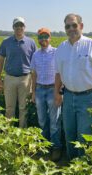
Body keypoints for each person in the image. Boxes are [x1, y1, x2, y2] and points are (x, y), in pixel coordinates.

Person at [54, 13, 92, 160]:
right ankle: (73, 164)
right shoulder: (61, 48)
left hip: (87, 98)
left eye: (74, 25)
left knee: (84, 135)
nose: (71, 29)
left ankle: (83, 167)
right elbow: (58, 73)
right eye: (67, 26)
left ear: (81, 26)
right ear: (65, 29)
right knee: (70, 133)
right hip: (69, 96)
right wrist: (57, 94)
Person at [0, 17, 37, 128]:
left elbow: (34, 63)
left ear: (24, 27)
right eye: (16, 26)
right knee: (9, 107)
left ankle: (22, 132)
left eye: (21, 25)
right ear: (13, 27)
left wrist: (34, 82)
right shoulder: (6, 42)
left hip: (25, 78)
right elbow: (0, 60)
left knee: (23, 108)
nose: (19, 27)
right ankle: (8, 132)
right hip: (9, 78)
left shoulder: (31, 43)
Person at [30, 28, 62, 161]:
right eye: (41, 37)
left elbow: (61, 72)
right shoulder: (36, 54)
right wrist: (33, 92)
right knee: (42, 120)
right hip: (39, 90)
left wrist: (59, 91)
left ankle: (56, 147)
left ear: (50, 38)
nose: (43, 39)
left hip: (52, 89)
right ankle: (45, 146)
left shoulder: (57, 52)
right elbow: (34, 74)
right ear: (38, 39)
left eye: (46, 37)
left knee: (54, 121)